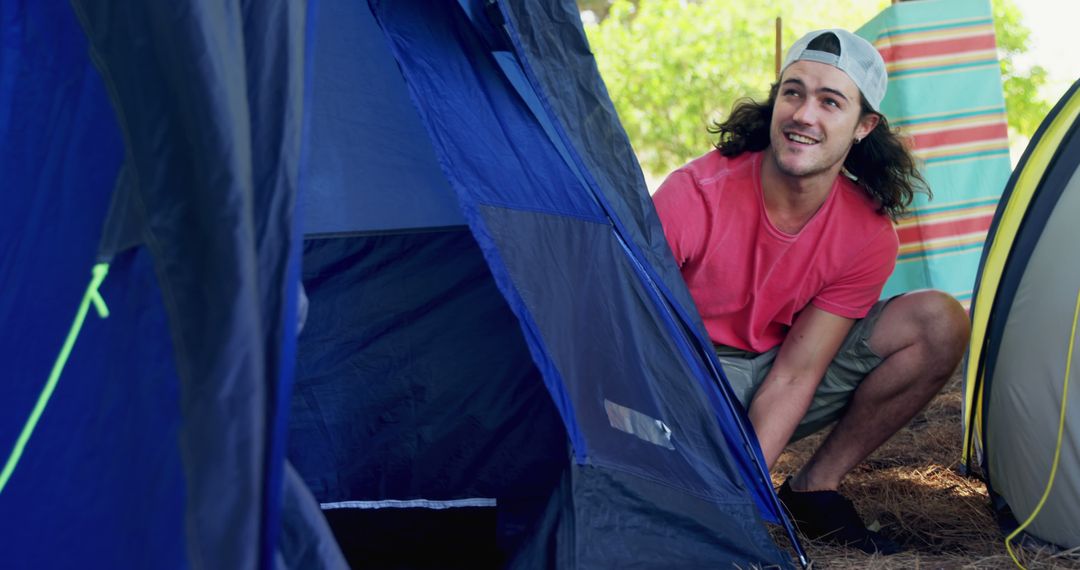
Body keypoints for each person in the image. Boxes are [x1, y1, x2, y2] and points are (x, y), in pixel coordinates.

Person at [653, 29, 970, 553]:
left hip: (782, 365)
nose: (804, 114)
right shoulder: (693, 196)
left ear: (863, 126)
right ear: (776, 102)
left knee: (939, 321)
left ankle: (813, 489)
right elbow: (629, 334)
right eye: (793, 92)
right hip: (693, 372)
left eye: (830, 101)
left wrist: (743, 498)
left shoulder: (867, 234)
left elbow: (798, 371)